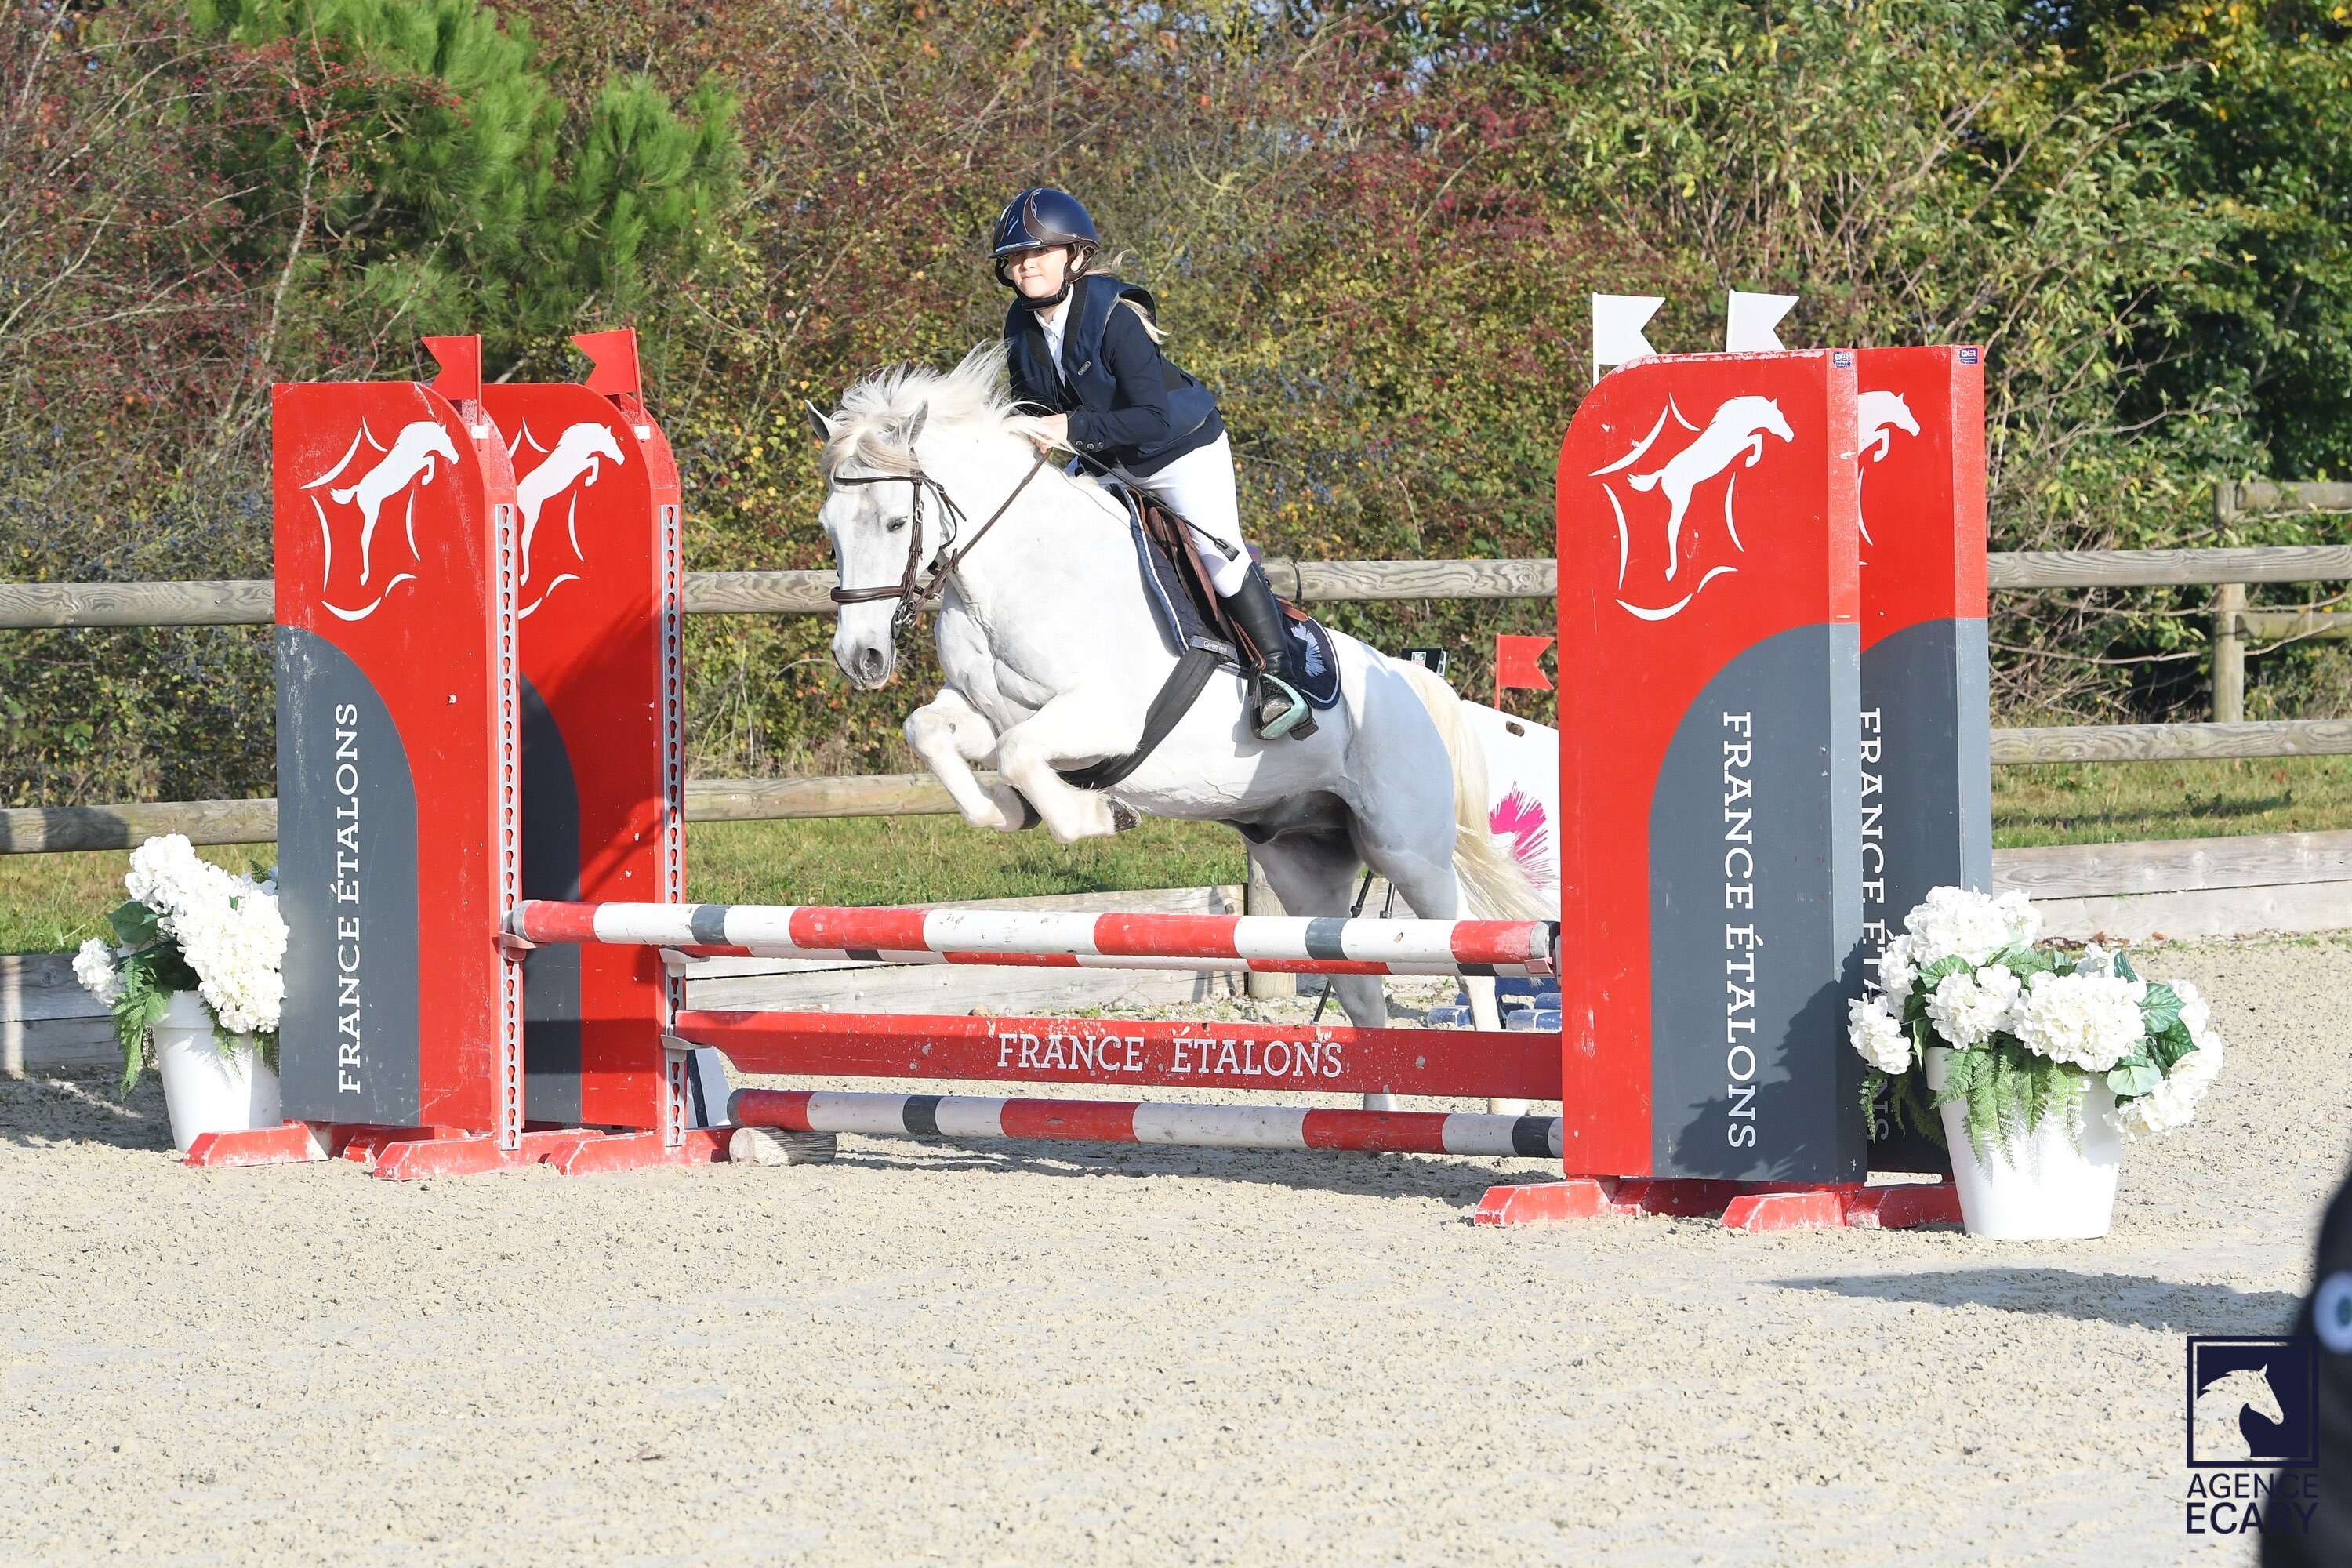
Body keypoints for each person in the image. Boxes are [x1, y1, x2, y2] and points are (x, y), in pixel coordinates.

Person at [990, 186, 1311, 740]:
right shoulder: (1019, 329)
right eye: (1016, 258)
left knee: (1218, 554)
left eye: (1036, 253)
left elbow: (1151, 420)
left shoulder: (1116, 317)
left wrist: (1071, 428)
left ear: (1074, 255)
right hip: (1106, 459)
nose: (1024, 267)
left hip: (1179, 450)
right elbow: (1032, 409)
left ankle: (1279, 681)